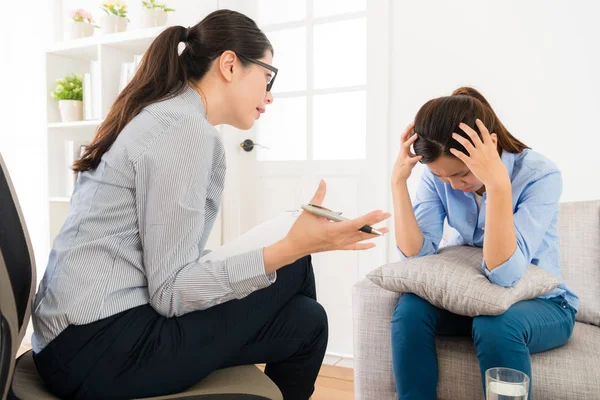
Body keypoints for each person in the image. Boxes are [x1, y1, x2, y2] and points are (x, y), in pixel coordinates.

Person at [31, 9, 389, 400]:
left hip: (77, 341)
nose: (270, 95)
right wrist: (293, 246)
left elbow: (165, 268)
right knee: (295, 264)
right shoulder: (184, 129)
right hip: (97, 348)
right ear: (230, 65)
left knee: (307, 322)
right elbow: (170, 293)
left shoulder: (165, 116)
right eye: (267, 77)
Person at [389, 87, 578, 399]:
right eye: (443, 178)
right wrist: (398, 183)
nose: (454, 186)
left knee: (496, 325)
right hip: (475, 300)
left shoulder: (540, 175)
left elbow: (504, 274)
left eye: (462, 175)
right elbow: (417, 256)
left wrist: (497, 184)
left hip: (546, 305)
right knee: (410, 309)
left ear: (490, 144)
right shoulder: (440, 175)